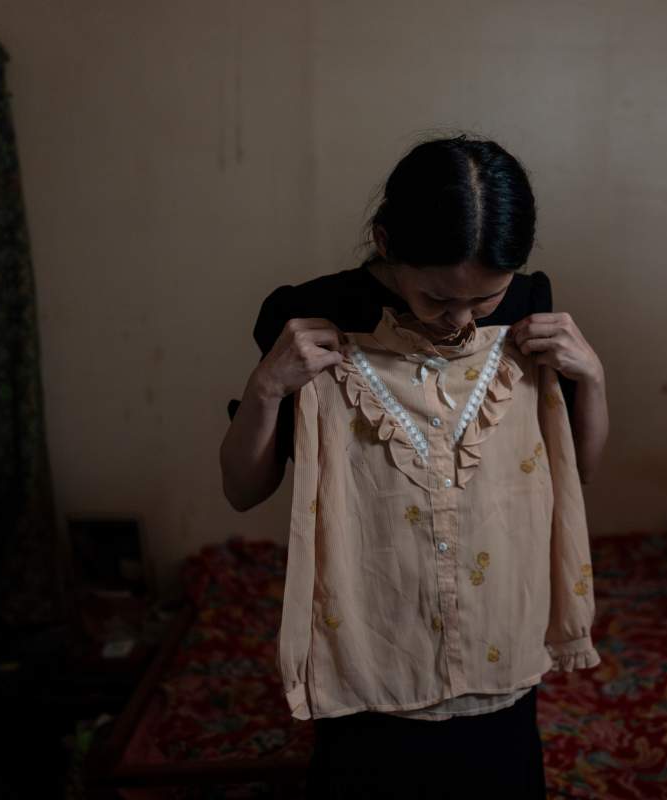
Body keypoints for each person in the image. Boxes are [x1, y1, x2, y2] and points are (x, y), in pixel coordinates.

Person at [219, 134, 609, 798]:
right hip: (370, 656)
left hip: (498, 648)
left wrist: (592, 377)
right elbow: (243, 489)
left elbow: (578, 473)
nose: (460, 321)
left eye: (483, 302)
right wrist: (266, 389)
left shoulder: (528, 307)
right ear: (385, 242)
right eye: (437, 298)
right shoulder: (310, 319)